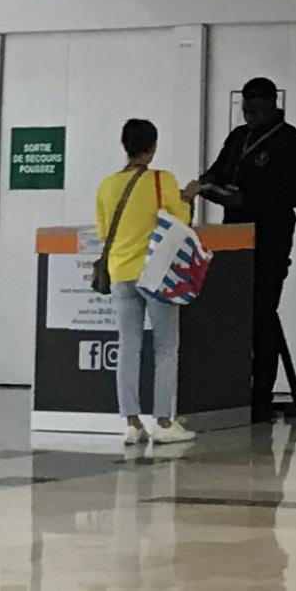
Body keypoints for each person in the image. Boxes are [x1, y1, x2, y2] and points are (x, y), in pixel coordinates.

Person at [189, 77, 296, 421]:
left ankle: (261, 395)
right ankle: (232, 390)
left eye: (257, 111)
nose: (251, 117)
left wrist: (247, 199)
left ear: (273, 105)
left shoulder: (294, 143)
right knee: (234, 313)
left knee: (262, 313)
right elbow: (218, 171)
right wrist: (205, 184)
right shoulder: (237, 137)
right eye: (246, 111)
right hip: (235, 238)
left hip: (271, 238)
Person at [96, 118, 195, 446]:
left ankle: (131, 423)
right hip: (157, 273)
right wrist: (188, 198)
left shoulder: (107, 186)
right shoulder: (162, 180)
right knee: (166, 347)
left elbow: (103, 232)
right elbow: (180, 221)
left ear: (125, 146)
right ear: (152, 147)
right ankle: (164, 421)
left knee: (128, 346)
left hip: (120, 273)